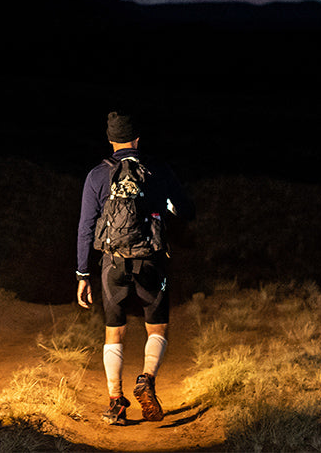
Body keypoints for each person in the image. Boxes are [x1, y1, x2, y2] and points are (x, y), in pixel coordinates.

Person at [76, 111, 194, 425]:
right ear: (137, 138)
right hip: (151, 261)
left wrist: (82, 274)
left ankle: (115, 401)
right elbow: (186, 210)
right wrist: (166, 205)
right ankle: (146, 379)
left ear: (110, 139)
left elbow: (86, 227)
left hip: (112, 263)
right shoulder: (157, 170)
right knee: (157, 328)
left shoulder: (97, 176)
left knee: (113, 332)